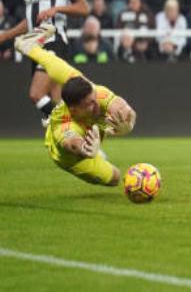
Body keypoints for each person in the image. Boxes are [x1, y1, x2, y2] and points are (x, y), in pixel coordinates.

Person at [14, 24, 137, 187]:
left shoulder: (95, 93)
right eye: (90, 104)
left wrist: (129, 122)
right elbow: (72, 143)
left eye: (95, 99)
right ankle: (96, 159)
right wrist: (86, 149)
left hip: (88, 124)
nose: (97, 105)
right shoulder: (63, 125)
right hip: (71, 158)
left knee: (72, 75)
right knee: (115, 178)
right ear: (74, 110)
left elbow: (123, 108)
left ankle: (29, 47)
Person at [0, 0, 89, 127]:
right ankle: (81, 138)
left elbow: (83, 8)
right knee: (57, 101)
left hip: (54, 41)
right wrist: (5, 35)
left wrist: (56, 9)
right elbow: (30, 21)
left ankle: (63, 126)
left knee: (36, 94)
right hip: (35, 47)